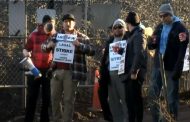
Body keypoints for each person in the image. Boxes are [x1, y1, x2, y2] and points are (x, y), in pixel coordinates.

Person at [41, 13, 95, 122]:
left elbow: (92, 51)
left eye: (70, 21)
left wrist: (79, 45)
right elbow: (43, 47)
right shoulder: (55, 36)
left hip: (71, 73)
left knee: (68, 100)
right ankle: (57, 119)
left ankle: (67, 120)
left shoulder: (81, 37)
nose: (68, 23)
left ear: (74, 23)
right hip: (56, 71)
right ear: (62, 23)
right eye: (66, 21)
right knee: (54, 98)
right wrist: (48, 46)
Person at [148, 3, 189, 121]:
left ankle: (171, 119)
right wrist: (152, 42)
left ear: (170, 14)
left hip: (171, 66)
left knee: (171, 97)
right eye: (160, 16)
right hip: (158, 64)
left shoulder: (180, 27)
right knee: (152, 94)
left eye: (164, 16)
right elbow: (151, 45)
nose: (162, 18)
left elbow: (183, 48)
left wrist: (179, 66)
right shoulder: (159, 26)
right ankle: (158, 119)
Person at [23, 15, 56, 122]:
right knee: (32, 96)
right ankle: (28, 119)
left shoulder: (55, 36)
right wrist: (26, 54)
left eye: (53, 24)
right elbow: (25, 49)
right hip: (34, 70)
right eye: (49, 24)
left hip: (48, 70)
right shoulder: (33, 35)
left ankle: (44, 119)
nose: (51, 26)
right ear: (43, 24)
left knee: (47, 98)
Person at [100, 18, 129, 122]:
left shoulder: (128, 39)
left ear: (125, 28)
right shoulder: (109, 41)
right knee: (113, 101)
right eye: (115, 27)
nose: (117, 29)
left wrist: (118, 50)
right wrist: (106, 54)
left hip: (123, 74)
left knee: (126, 100)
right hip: (110, 75)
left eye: (120, 26)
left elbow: (130, 55)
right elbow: (105, 60)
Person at [98, 25, 113, 122]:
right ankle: (108, 117)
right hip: (106, 72)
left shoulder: (125, 40)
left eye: (118, 28)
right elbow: (104, 59)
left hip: (119, 73)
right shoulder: (109, 41)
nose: (114, 31)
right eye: (112, 30)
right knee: (101, 93)